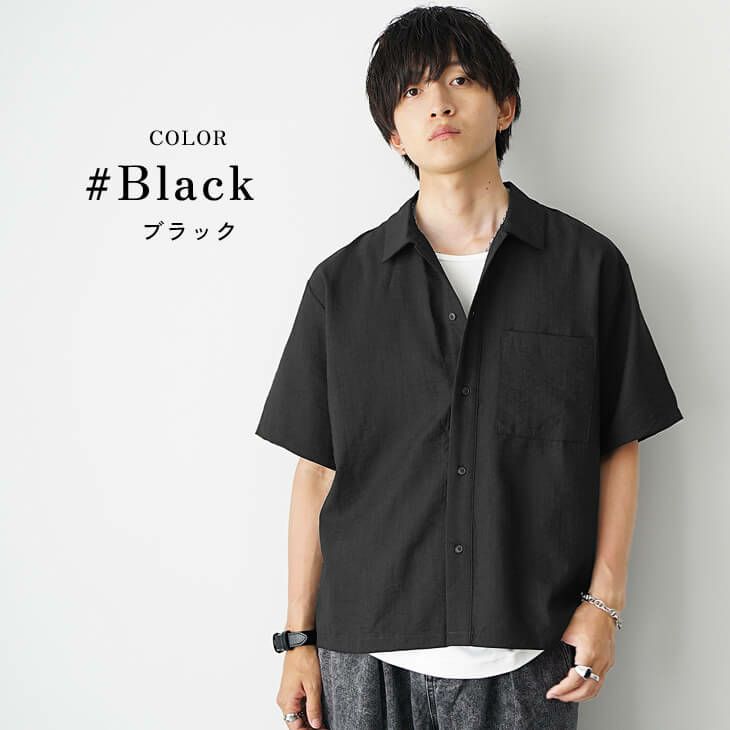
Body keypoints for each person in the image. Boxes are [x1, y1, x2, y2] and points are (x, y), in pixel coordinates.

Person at [255, 6, 683, 729]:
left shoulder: (587, 268)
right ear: (393, 133)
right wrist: (298, 639)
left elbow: (618, 443)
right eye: (413, 90)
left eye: (459, 80)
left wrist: (604, 604)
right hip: (365, 655)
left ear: (505, 106)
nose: (439, 103)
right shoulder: (342, 286)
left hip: (532, 650)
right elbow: (317, 473)